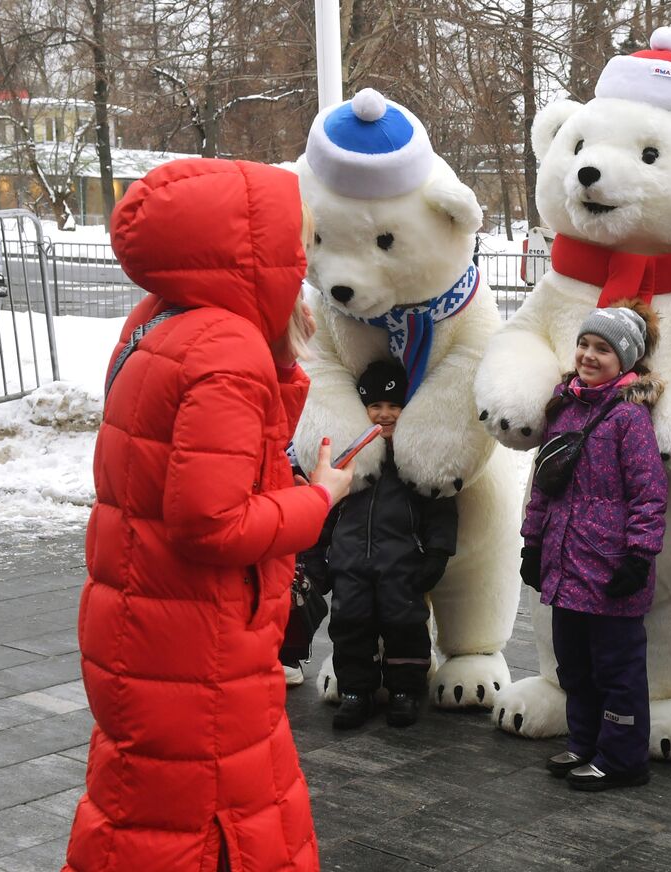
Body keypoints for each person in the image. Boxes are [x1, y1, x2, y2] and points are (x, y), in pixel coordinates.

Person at [63, 158, 353, 872]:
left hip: (152, 631)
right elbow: (210, 522)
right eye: (297, 242)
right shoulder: (226, 349)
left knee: (144, 807)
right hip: (199, 646)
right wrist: (317, 499)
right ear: (249, 248)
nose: (304, 260)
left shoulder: (158, 320)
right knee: (212, 823)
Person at [521, 302, 667, 792]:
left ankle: (623, 758)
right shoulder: (565, 407)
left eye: (602, 348)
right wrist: (532, 543)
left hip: (610, 569)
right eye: (584, 343)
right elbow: (545, 484)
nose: (588, 354)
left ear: (624, 360)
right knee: (574, 663)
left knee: (617, 669)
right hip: (566, 565)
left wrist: (639, 555)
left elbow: (649, 492)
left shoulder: (629, 418)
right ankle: (585, 742)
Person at [316, 360, 459, 730]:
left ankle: (404, 691)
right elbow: (326, 505)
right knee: (349, 626)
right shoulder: (350, 456)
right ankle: (355, 692)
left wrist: (438, 551)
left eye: (394, 405)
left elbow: (439, 506)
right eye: (375, 405)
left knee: (406, 627)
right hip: (350, 563)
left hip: (401, 564)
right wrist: (317, 552)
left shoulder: (416, 458)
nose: (384, 414)